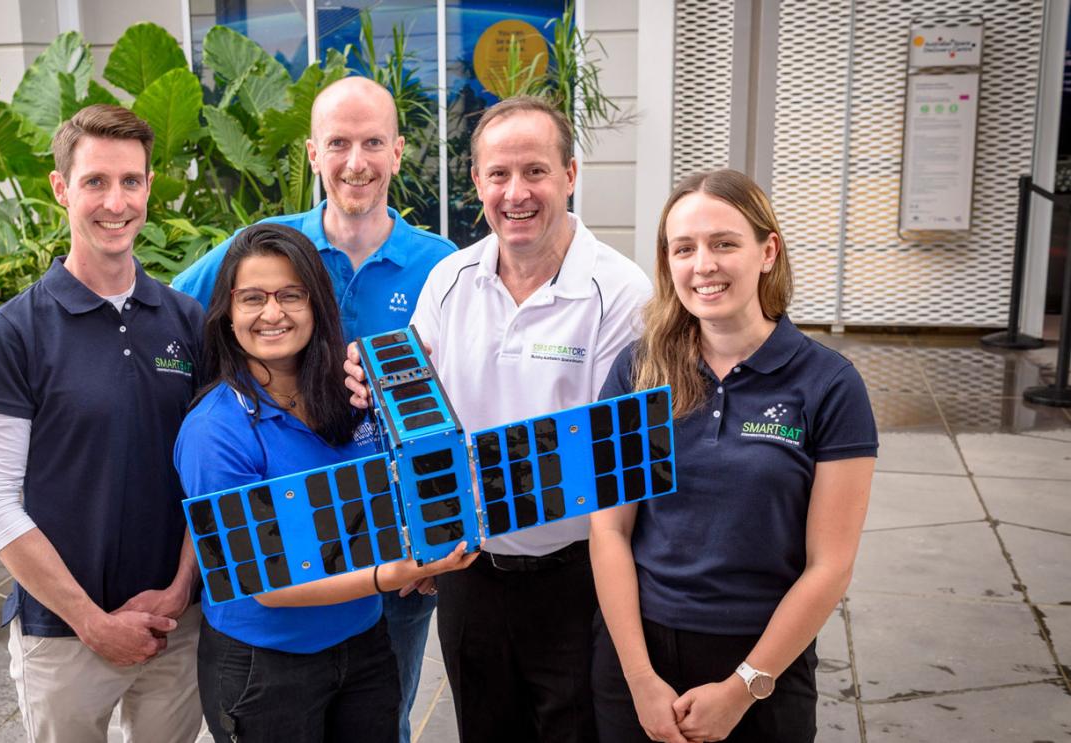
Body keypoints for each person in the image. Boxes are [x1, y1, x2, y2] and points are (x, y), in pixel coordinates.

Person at [349, 95, 653, 742]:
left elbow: (615, 456)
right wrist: (380, 386)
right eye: (498, 174)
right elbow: (422, 425)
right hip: (471, 576)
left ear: (571, 175)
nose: (516, 193)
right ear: (477, 183)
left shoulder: (621, 294)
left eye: (535, 171)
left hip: (579, 576)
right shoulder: (449, 280)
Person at [171, 75, 456, 742]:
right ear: (312, 154)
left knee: (387, 715)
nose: (355, 161)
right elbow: (178, 311)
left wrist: (436, 529)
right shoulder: (268, 249)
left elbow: (464, 401)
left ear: (398, 151)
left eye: (372, 143)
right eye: (338, 143)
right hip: (279, 601)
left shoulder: (441, 265)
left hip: (396, 570)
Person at [589, 169, 877, 743]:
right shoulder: (636, 371)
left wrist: (744, 686)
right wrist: (640, 679)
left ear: (767, 251)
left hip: (766, 660)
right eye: (684, 248)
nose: (704, 265)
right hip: (640, 652)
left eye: (724, 243)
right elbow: (609, 532)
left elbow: (830, 566)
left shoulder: (829, 385)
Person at [0, 105, 206, 742]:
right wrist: (91, 621)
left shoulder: (187, 322)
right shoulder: (11, 334)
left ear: (150, 187)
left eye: (130, 182)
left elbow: (210, 478)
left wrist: (180, 590)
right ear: (61, 188)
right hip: (63, 635)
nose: (115, 202)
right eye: (95, 181)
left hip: (174, 627)